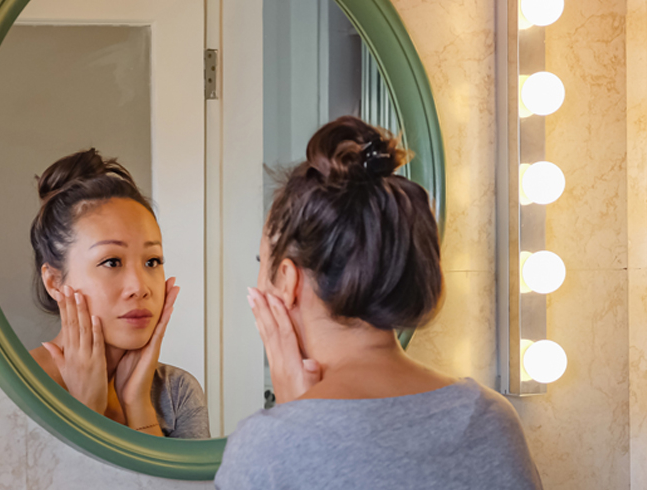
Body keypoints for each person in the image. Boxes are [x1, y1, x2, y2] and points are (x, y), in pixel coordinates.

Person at [215, 116, 542, 488]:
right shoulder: (490, 418)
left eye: (263, 263)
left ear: (288, 281)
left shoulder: (265, 449)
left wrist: (293, 424)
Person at [28, 148, 210, 439]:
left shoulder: (177, 393)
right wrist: (85, 412)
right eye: (111, 262)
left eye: (152, 261)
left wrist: (138, 405)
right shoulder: (17, 389)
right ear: (54, 281)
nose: (140, 287)